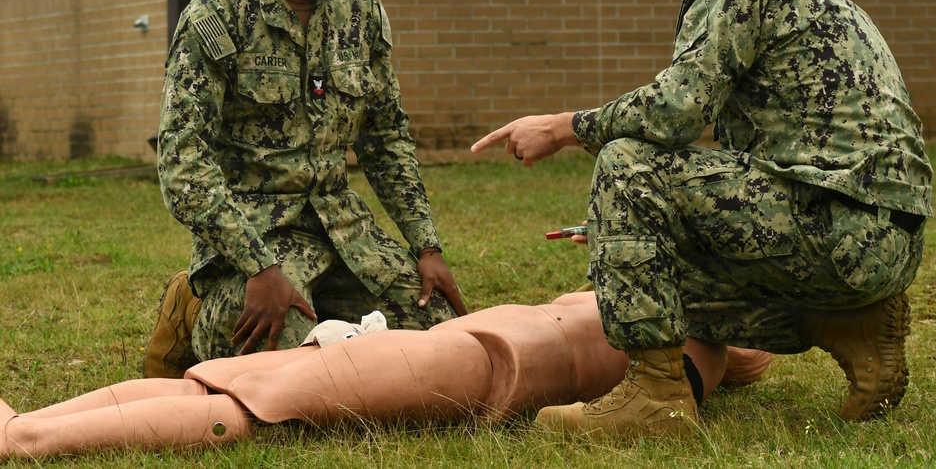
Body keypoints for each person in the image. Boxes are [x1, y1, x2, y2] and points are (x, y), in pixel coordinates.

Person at [471, 0, 932, 438]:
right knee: (648, 256)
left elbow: (676, 112)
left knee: (627, 165)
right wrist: (633, 234)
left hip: (834, 224)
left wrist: (562, 127)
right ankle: (851, 325)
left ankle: (656, 398)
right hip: (882, 239)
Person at [152, 0, 466, 372]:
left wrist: (427, 247)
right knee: (295, 374)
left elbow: (385, 139)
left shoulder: (361, 10)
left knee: (443, 345)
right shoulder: (218, 15)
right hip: (254, 239)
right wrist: (256, 266)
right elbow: (183, 163)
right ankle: (193, 303)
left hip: (344, 232)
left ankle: (323, 307)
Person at [1, 292, 771, 459]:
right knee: (227, 380)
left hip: (474, 366)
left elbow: (725, 370)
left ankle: (26, 437)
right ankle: (26, 422)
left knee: (250, 407)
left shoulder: (692, 355)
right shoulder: (664, 292)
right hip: (448, 346)